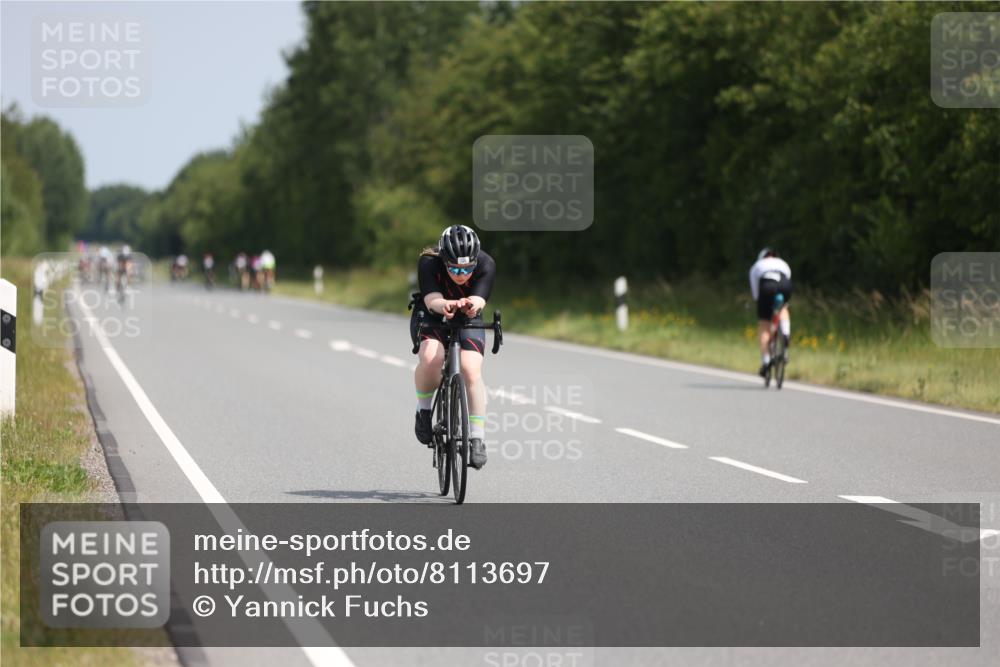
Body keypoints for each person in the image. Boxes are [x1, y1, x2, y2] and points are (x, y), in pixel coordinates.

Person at [410, 225, 495, 469]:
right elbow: (431, 298)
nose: (460, 274)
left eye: (467, 268)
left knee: (470, 370)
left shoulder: (486, 263)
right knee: (430, 358)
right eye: (454, 268)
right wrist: (444, 304)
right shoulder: (429, 262)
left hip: (469, 315)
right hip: (433, 313)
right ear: (443, 259)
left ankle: (477, 438)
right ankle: (423, 411)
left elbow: (480, 297)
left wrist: (472, 304)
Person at [749, 247, 792, 377]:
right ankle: (785, 332)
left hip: (767, 286)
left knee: (764, 325)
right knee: (783, 308)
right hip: (784, 284)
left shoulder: (757, 266)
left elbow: (756, 292)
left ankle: (766, 362)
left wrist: (760, 302)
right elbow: (788, 278)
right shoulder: (783, 263)